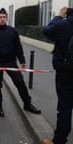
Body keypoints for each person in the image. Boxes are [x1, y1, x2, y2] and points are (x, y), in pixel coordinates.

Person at [0, 8, 41, 117]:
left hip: (10, 62)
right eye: (0, 17)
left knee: (20, 82)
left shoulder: (12, 31)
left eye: (4, 17)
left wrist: (22, 60)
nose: (2, 19)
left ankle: (27, 104)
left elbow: (18, 47)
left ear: (7, 18)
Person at [41, 7, 73, 144]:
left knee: (65, 107)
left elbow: (47, 31)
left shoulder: (65, 24)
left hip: (66, 72)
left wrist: (58, 17)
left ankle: (59, 140)